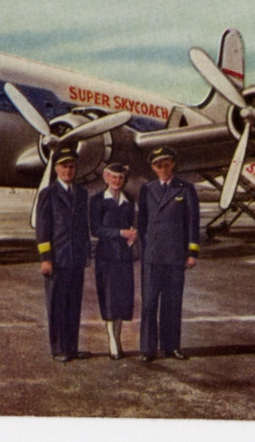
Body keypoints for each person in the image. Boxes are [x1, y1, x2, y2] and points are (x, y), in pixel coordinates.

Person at [137, 147, 200, 362]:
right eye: (158, 166)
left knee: (172, 303)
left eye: (166, 164)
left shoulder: (185, 189)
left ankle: (171, 346)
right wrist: (144, 251)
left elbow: (193, 222)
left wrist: (192, 252)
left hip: (175, 256)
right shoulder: (147, 189)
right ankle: (147, 349)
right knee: (149, 304)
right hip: (152, 256)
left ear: (173, 164)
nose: (163, 169)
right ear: (153, 168)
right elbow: (142, 223)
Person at [35, 147, 92, 362]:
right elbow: (42, 229)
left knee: (74, 305)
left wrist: (85, 255)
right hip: (57, 260)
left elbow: (82, 227)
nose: (68, 170)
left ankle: (72, 347)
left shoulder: (81, 193)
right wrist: (45, 258)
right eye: (64, 166)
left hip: (75, 259)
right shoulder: (48, 194)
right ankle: (58, 348)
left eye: (71, 166)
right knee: (57, 306)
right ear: (56, 169)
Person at [90, 163, 137, 360]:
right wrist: (119, 233)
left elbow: (135, 221)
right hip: (107, 255)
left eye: (120, 178)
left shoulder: (129, 200)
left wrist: (134, 233)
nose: (117, 181)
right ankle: (112, 342)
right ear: (106, 178)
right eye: (113, 177)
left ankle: (118, 338)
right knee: (109, 298)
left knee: (123, 299)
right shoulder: (98, 200)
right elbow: (95, 229)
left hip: (124, 255)